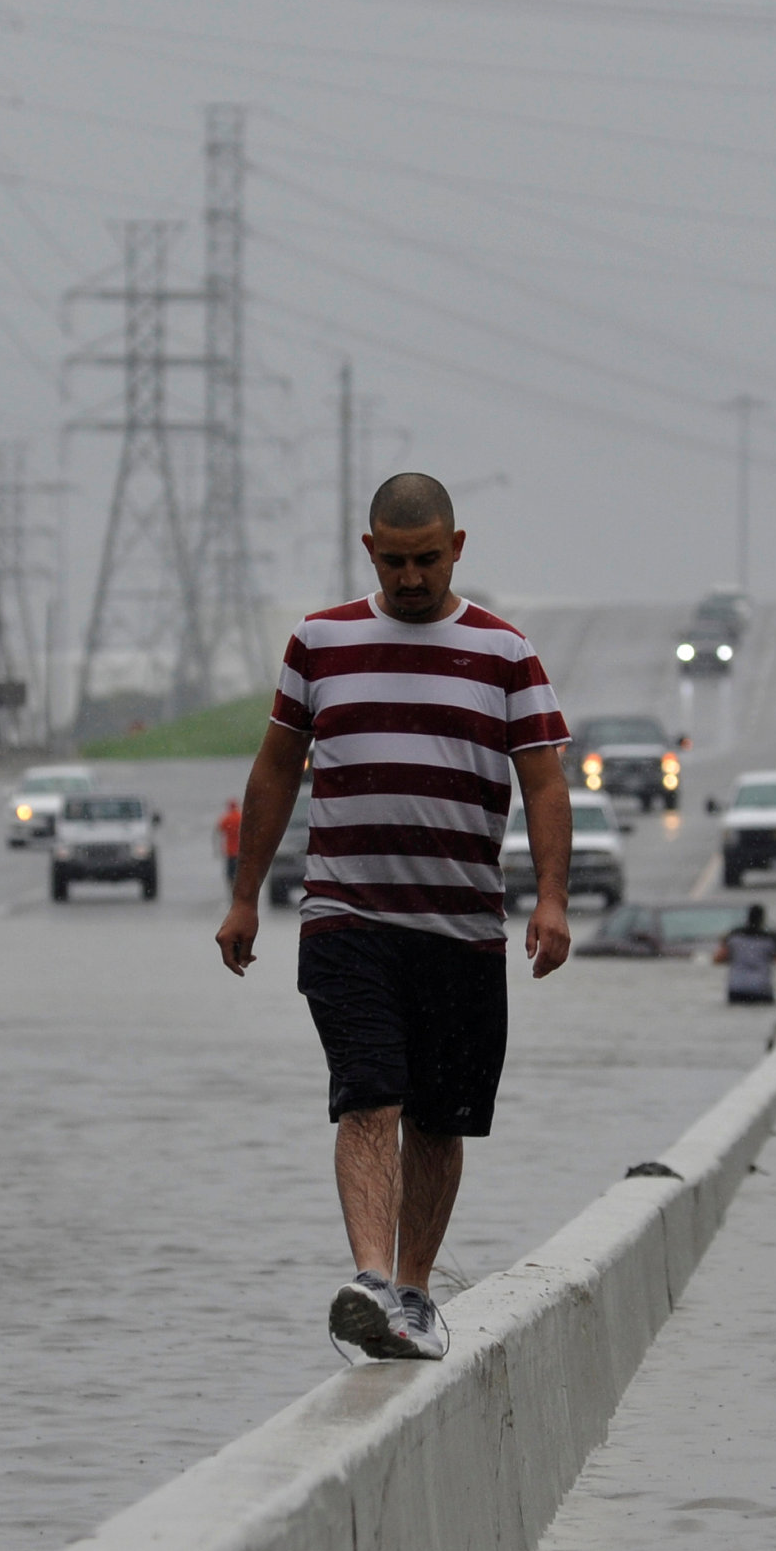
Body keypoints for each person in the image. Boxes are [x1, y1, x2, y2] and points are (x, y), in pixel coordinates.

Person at [217, 470, 572, 1364]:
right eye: (395, 561)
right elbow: (273, 770)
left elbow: (543, 782)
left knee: (441, 1120)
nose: (411, 578)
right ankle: (371, 1278)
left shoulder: (504, 654)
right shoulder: (319, 642)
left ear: (456, 549)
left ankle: (414, 1295)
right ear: (368, 551)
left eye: (427, 560)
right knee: (369, 1094)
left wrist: (555, 900)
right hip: (347, 917)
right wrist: (244, 896)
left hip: (461, 928)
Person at [714, 902, 776, 1005]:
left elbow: (717, 959)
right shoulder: (771, 939)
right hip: (761, 989)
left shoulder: (733, 937)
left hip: (737, 989)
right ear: (763, 919)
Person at [215, 795, 244, 894]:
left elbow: (217, 832)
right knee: (240, 874)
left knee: (230, 875)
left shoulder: (226, 819)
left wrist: (216, 850)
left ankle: (232, 892)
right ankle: (239, 892)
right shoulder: (241, 817)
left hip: (230, 852)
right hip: (241, 852)